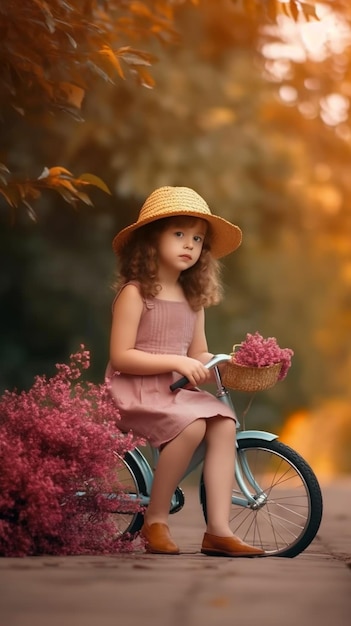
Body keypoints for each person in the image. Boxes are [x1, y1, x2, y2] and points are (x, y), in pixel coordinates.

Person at [106, 186, 264, 557]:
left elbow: (196, 353)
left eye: (197, 238)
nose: (189, 244)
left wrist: (221, 362)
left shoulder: (193, 301)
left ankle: (218, 530)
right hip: (134, 387)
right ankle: (156, 519)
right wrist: (177, 362)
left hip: (174, 390)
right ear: (151, 239)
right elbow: (122, 355)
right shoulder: (135, 293)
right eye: (178, 234)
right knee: (192, 424)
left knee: (223, 421)